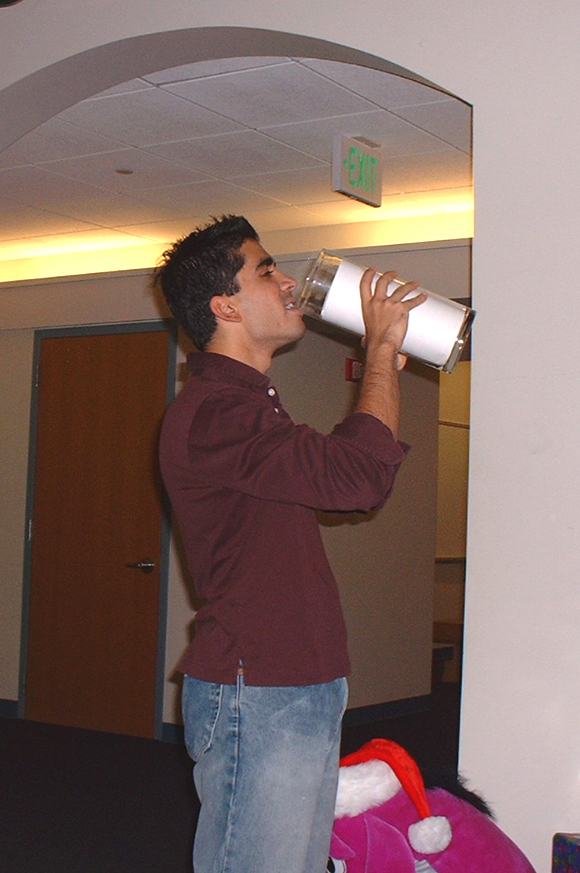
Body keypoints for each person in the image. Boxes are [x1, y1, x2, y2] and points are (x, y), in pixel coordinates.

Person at [155, 214, 425, 873]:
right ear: (224, 306)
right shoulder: (217, 412)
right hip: (258, 688)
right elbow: (358, 478)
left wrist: (384, 364)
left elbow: (350, 477)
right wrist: (380, 353)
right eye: (266, 270)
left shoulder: (250, 406)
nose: (286, 283)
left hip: (294, 681)